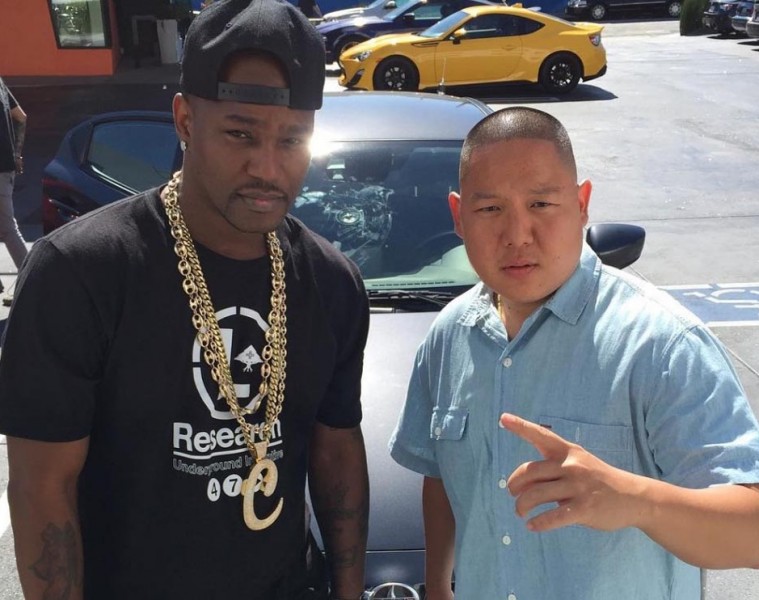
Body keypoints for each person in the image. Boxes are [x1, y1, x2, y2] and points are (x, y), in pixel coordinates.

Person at [0, 1, 369, 599]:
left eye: (293, 139)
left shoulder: (331, 281)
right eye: (240, 133)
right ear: (185, 120)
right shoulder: (80, 272)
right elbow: (43, 487)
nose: (267, 167)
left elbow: (337, 452)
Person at [389, 107, 759, 600]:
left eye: (541, 203)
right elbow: (441, 475)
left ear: (582, 205)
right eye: (491, 209)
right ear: (458, 217)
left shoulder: (662, 344)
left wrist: (636, 500)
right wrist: (438, 584)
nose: (518, 234)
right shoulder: (449, 336)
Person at [0, 76, 29, 305]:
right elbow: (21, 116)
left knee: (8, 229)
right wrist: (17, 153)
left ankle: (34, 278)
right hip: (6, 167)